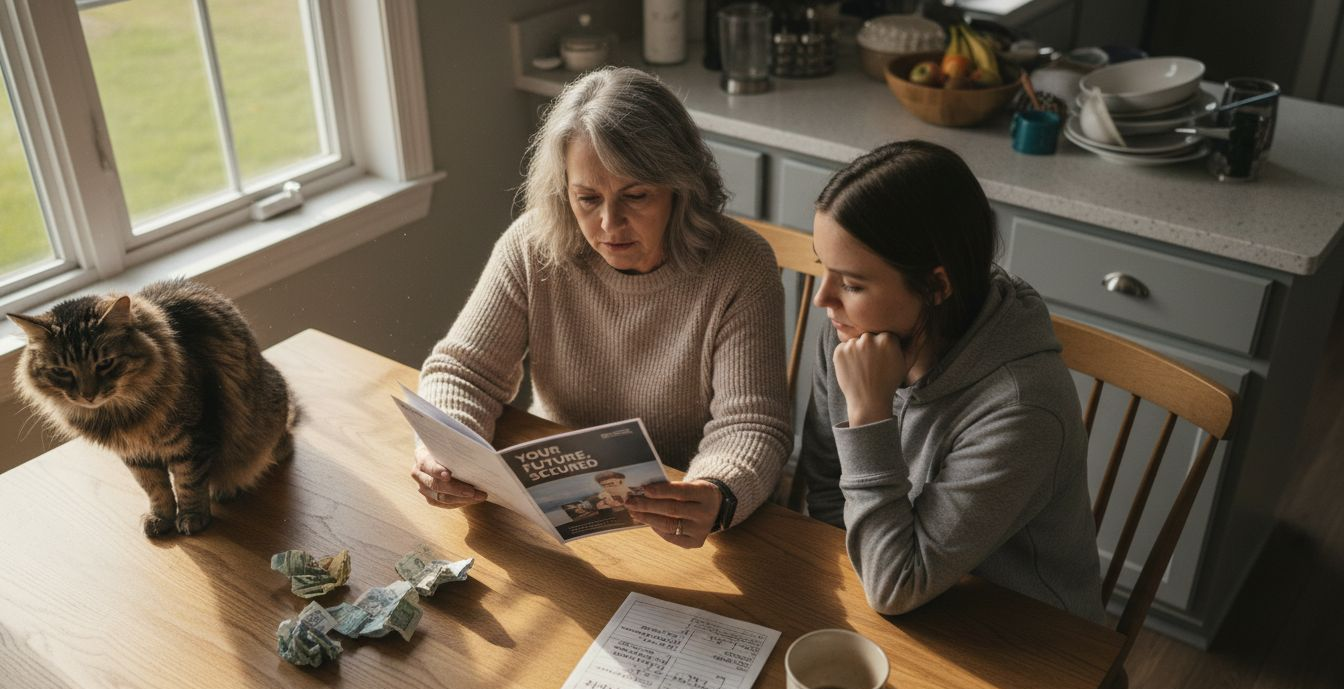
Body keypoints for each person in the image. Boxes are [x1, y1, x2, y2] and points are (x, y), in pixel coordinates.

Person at [411, 67, 792, 548]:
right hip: (556, 510)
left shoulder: (740, 265)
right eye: (587, 198)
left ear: (680, 187)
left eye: (636, 195)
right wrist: (443, 452)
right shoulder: (533, 245)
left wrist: (716, 491)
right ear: (563, 190)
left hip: (680, 516)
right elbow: (462, 372)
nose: (610, 223)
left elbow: (752, 423)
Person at [799, 140, 1105, 622]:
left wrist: (868, 418)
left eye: (853, 284)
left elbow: (895, 587)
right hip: (899, 605)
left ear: (937, 286)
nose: (823, 300)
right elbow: (824, 488)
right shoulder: (851, 334)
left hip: (1023, 637)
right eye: (823, 268)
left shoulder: (1023, 408)